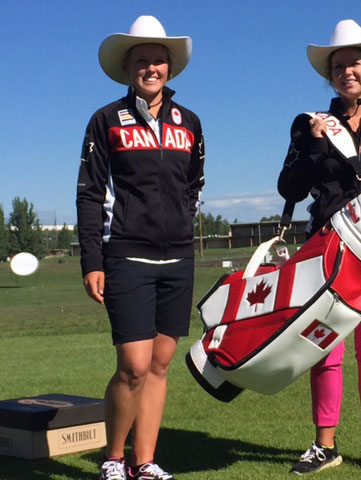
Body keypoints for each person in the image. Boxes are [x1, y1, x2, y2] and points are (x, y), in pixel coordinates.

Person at [278, 19, 361, 475]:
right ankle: (324, 444)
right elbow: (289, 188)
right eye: (338, 66)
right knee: (324, 350)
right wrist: (315, 145)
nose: (347, 71)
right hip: (327, 250)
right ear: (330, 75)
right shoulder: (311, 125)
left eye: (354, 63)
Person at [76, 15, 205, 480]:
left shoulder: (189, 122)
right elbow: (89, 193)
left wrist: (178, 225)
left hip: (179, 256)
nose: (151, 68)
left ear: (170, 69)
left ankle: (144, 462)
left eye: (158, 60)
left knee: (159, 363)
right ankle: (114, 458)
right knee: (132, 364)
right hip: (125, 253)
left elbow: (194, 185)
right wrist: (93, 260)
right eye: (142, 61)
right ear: (128, 68)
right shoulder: (105, 120)